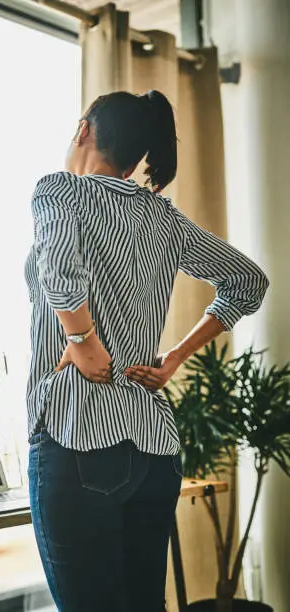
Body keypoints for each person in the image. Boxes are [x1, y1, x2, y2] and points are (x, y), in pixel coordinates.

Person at [24, 90, 269, 612]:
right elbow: (248, 281)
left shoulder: (60, 190)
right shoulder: (164, 218)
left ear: (83, 129)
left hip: (79, 435)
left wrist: (83, 341)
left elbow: (59, 272)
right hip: (153, 451)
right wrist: (174, 356)